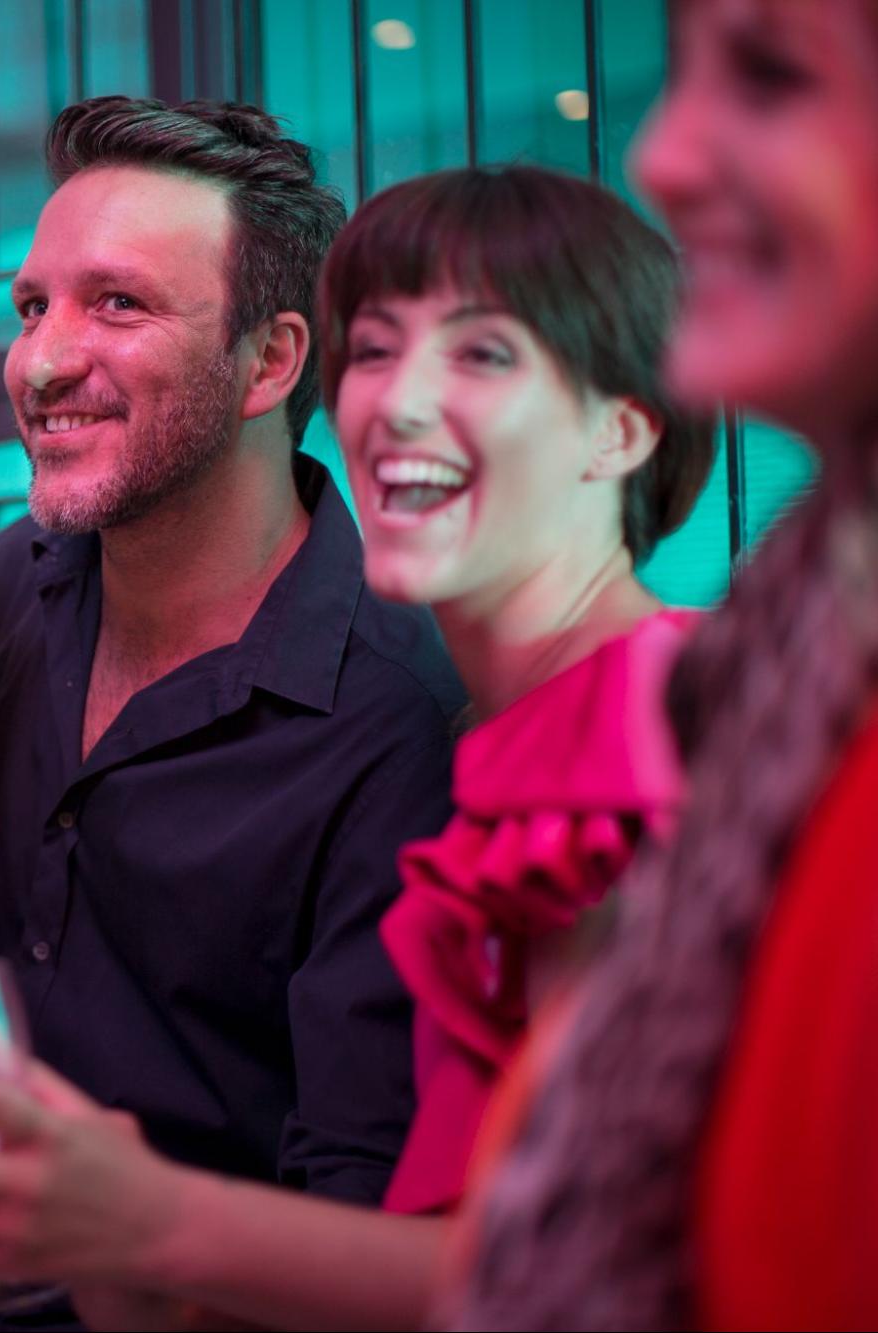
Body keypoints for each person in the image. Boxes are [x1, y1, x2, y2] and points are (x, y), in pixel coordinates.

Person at [0, 164, 717, 1330]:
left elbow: (599, 1274)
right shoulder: (503, 743)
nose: (400, 405)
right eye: (379, 351)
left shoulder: (634, 742)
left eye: (482, 355)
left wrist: (140, 1217)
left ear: (618, 431)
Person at [0, 93, 463, 1212]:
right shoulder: (11, 584)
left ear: (270, 362)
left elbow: (359, 1204)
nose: (39, 365)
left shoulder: (393, 715)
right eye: (32, 307)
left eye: (117, 305)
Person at [458, 2, 878, 1327]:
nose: (659, 153)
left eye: (768, 73)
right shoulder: (789, 653)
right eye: (371, 346)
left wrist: (166, 1234)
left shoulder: (673, 697)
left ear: (620, 434)